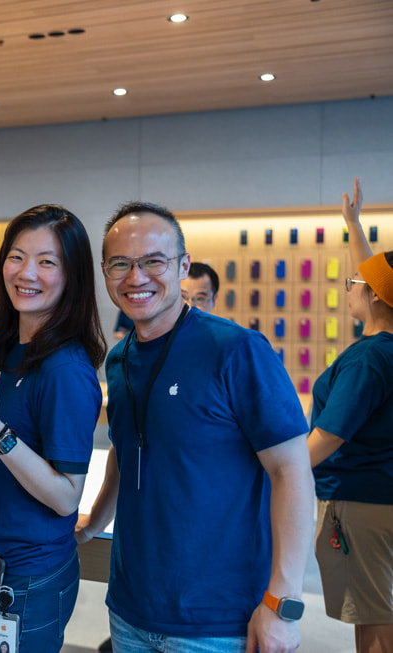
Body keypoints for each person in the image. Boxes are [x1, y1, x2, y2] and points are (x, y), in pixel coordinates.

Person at [77, 201, 315, 652]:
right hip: (130, 609)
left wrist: (283, 603)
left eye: (153, 261)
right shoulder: (119, 360)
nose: (136, 277)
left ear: (183, 265)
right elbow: (127, 452)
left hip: (221, 619)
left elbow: (292, 472)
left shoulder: (237, 350)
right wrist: (95, 521)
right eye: (120, 264)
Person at [0, 204, 106, 651]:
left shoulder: (66, 370)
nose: (27, 272)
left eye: (47, 261)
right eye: (16, 257)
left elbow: (64, 497)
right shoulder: (8, 348)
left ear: (71, 275)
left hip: (28, 574)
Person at [307, 178, 393, 653]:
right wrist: (353, 224)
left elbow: (328, 437)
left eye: (354, 285)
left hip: (362, 506)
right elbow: (378, 274)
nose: (351, 287)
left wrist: (271, 471)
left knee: (377, 627)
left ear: (376, 297)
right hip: (384, 496)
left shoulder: (368, 359)